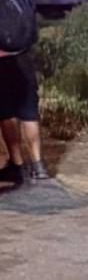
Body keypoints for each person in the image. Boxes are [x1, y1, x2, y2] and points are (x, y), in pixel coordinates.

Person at [0, 50, 48, 186]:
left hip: (1, 62)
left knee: (7, 113)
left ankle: (17, 165)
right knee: (29, 113)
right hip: (23, 59)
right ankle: (38, 166)